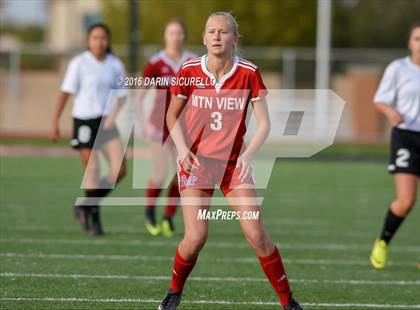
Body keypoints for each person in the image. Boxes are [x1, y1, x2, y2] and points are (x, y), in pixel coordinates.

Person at [158, 12, 302, 310]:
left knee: (256, 234)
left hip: (233, 165)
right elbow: (171, 115)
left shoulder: (248, 72)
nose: (216, 36)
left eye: (223, 32)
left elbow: (263, 124)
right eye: (211, 31)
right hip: (197, 163)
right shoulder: (188, 70)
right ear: (203, 38)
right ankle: (173, 292)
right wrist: (183, 150)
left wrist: (247, 156)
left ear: (235, 39)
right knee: (196, 237)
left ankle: (288, 302)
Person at [50, 23, 127, 235]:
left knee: (119, 170)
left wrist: (112, 116)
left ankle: (84, 206)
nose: (99, 42)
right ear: (88, 40)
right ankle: (95, 221)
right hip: (84, 121)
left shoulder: (115, 64)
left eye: (103, 38)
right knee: (92, 171)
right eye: (95, 37)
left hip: (107, 122)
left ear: (108, 40)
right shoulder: (79, 63)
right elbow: (65, 92)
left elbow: (122, 96)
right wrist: (55, 122)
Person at [136, 18, 196, 237]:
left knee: (183, 174)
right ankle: (150, 211)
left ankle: (168, 216)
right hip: (159, 126)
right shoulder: (155, 62)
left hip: (185, 128)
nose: (176, 37)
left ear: (184, 36)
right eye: (171, 33)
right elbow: (139, 97)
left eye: (179, 33)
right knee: (160, 173)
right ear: (165, 36)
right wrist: (143, 124)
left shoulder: (193, 62)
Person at [370, 22, 420, 269]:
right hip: (406, 137)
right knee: (406, 201)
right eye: (417, 39)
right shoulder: (399, 68)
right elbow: (380, 100)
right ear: (409, 43)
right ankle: (383, 240)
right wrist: (391, 113)